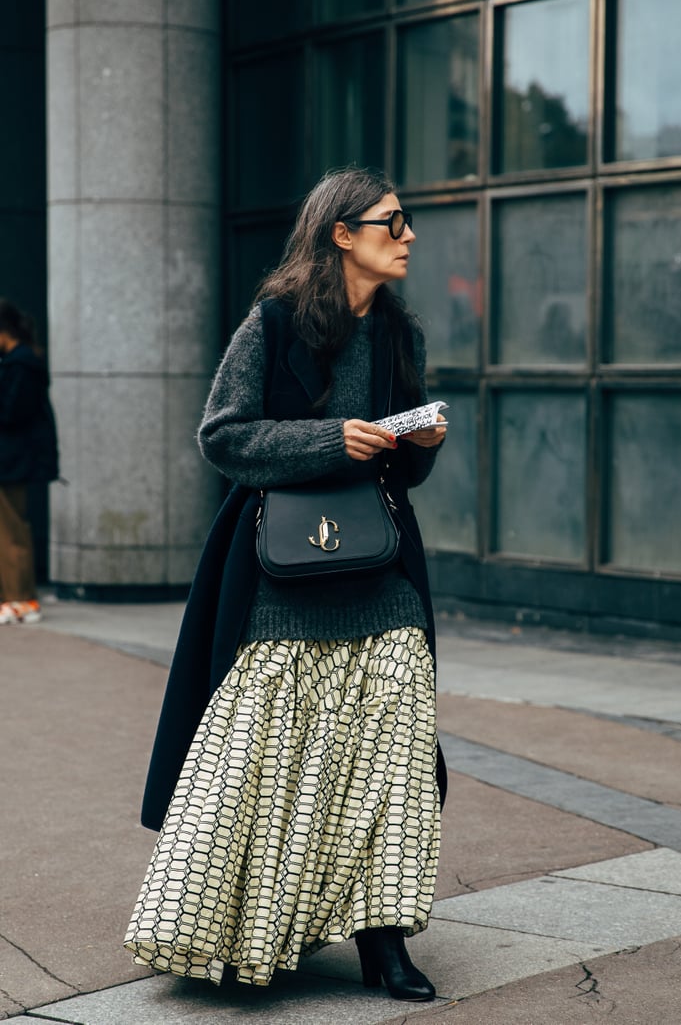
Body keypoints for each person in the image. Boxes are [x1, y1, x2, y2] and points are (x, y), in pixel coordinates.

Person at [124, 166, 448, 1002]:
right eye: (392, 220)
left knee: (394, 762)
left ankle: (385, 942)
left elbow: (400, 476)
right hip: (282, 573)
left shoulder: (401, 336)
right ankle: (242, 927)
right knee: (262, 760)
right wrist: (328, 440)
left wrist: (420, 439)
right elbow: (223, 435)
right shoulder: (272, 324)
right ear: (342, 233)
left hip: (382, 570)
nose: (408, 234)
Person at [0, 299, 59, 625]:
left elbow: (12, 413)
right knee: (8, 530)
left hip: (12, 461)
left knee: (11, 532)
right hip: (11, 459)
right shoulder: (20, 363)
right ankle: (14, 598)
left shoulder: (20, 365)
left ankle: (20, 600)